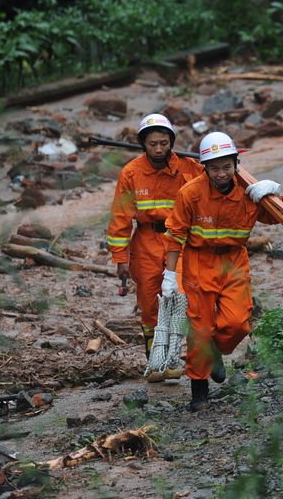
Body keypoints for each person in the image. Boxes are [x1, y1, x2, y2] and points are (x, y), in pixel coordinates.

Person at [163, 131, 283, 411]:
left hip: (233, 263)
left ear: (236, 165)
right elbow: (174, 236)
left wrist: (274, 192)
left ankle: (216, 352)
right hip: (198, 263)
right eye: (215, 168)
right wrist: (169, 276)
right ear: (205, 167)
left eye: (226, 167)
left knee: (237, 324)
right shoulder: (191, 193)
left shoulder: (249, 191)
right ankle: (199, 392)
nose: (221, 174)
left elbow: (279, 217)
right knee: (200, 329)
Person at [107, 113, 203, 380]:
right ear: (143, 144)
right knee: (149, 303)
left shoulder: (189, 167)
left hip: (181, 240)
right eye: (153, 144)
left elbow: (218, 179)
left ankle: (175, 357)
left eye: (164, 143)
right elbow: (120, 218)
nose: (159, 149)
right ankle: (155, 360)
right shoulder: (131, 173)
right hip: (146, 242)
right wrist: (120, 258)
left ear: (171, 141)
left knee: (181, 296)